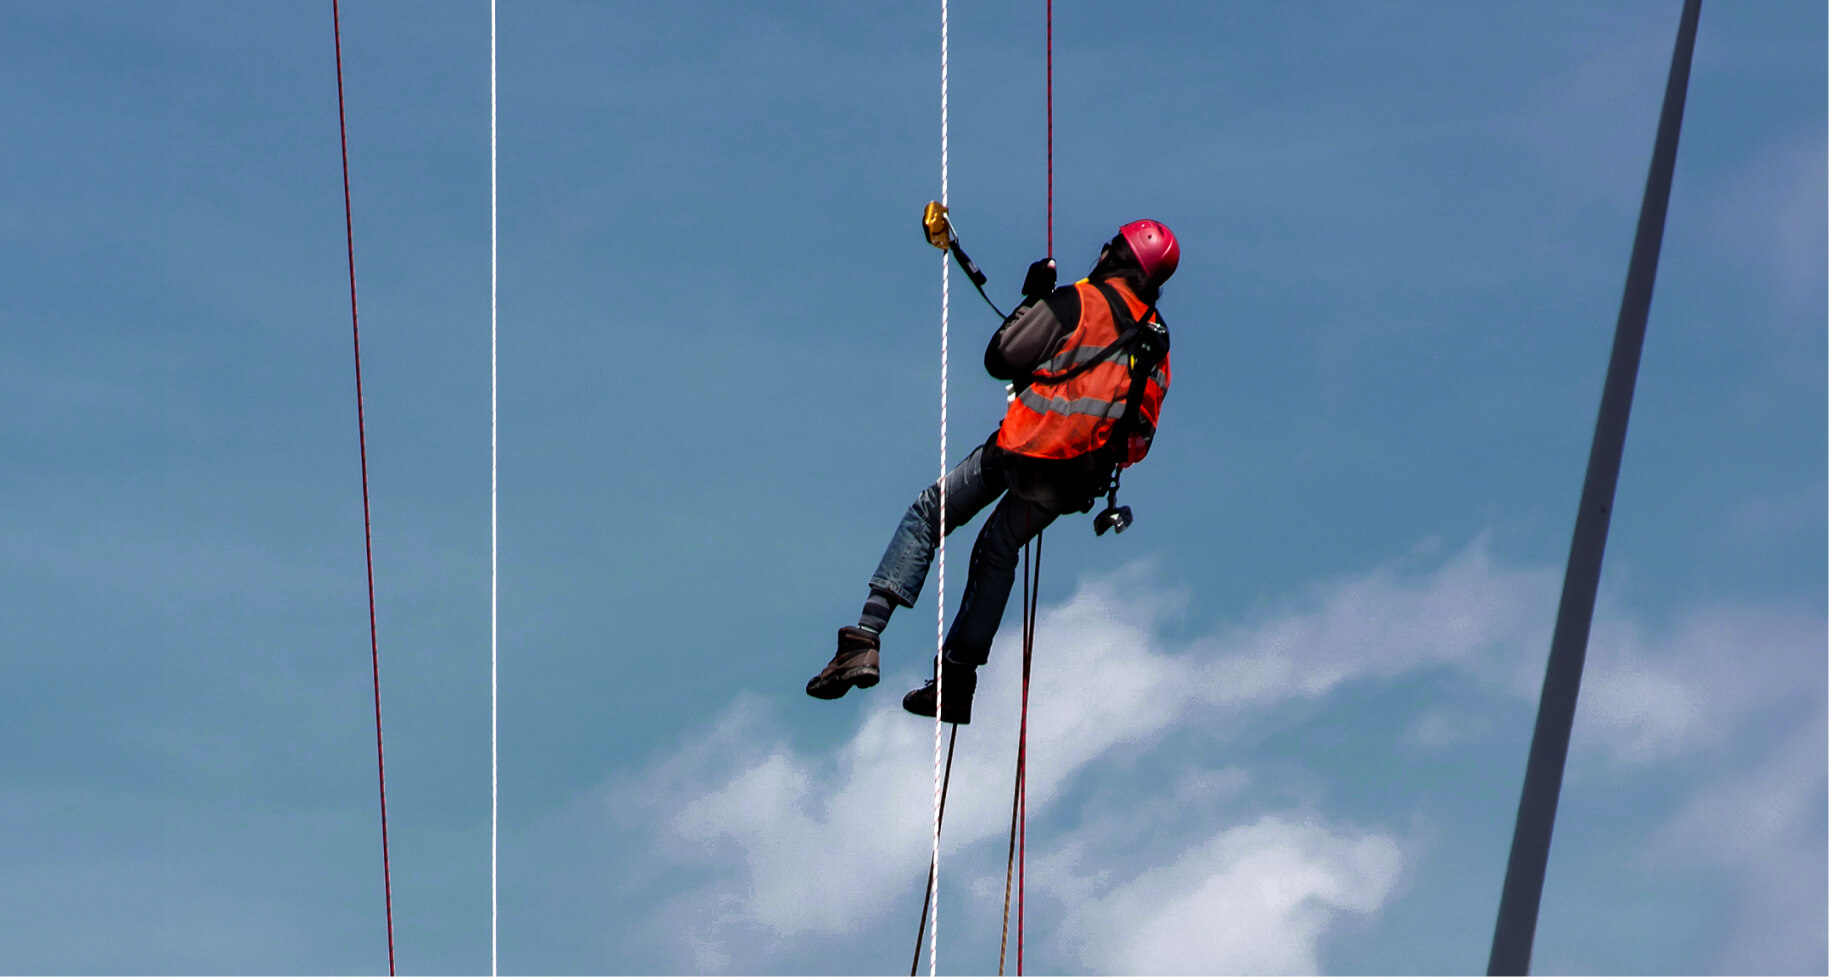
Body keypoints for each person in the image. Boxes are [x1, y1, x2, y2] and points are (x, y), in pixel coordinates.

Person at [805, 219, 1180, 724]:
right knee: (997, 551)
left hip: (1024, 452)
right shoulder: (1156, 342)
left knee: (929, 513)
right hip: (1078, 480)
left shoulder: (1079, 303)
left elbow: (1001, 358)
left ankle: (863, 641)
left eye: (1111, 246)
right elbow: (1139, 429)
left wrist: (1035, 300)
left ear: (1122, 258)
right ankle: (956, 685)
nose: (1102, 250)